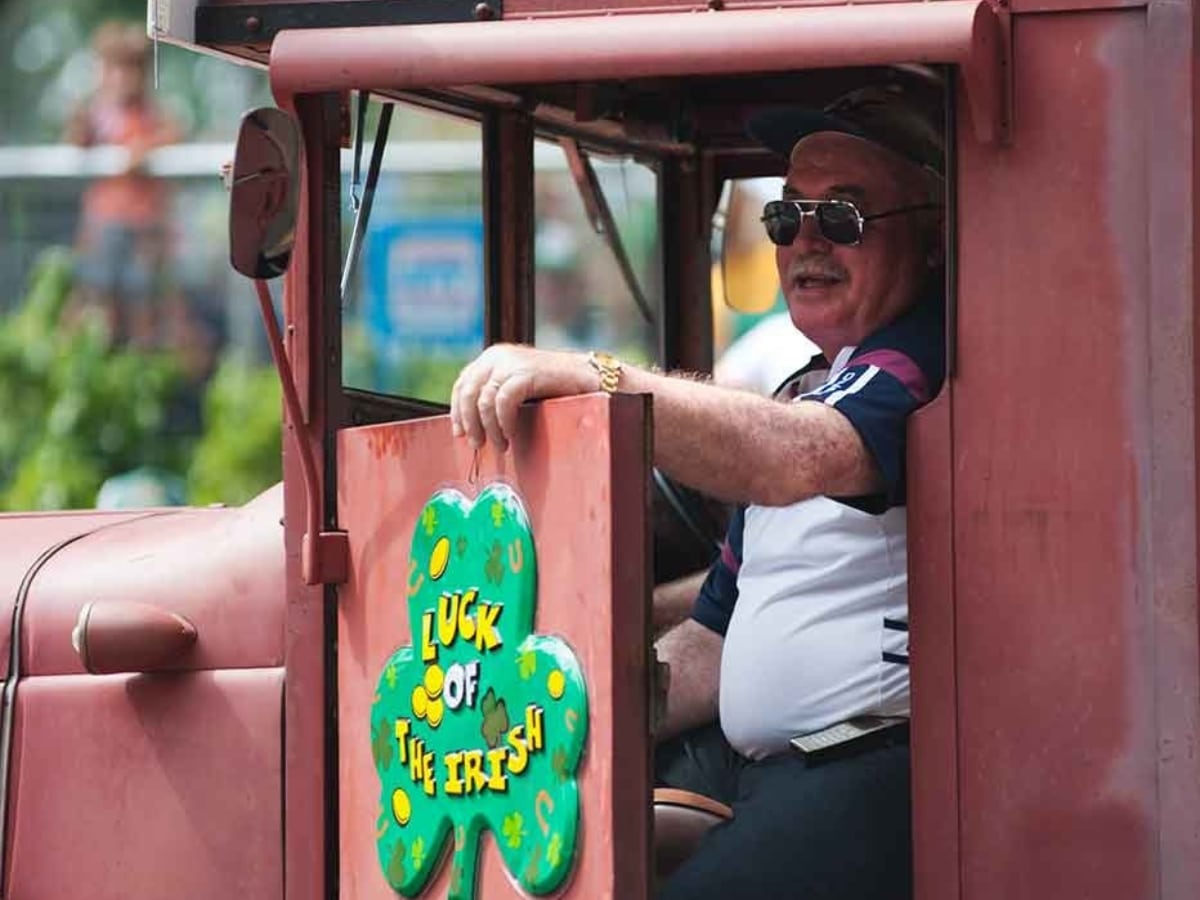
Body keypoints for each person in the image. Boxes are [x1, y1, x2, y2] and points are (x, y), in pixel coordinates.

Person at [449, 79, 945, 899]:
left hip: (870, 774)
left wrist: (593, 378)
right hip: (764, 775)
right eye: (787, 218)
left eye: (845, 217)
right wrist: (532, 716)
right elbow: (708, 646)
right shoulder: (805, 388)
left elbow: (802, 457)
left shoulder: (918, 357)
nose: (806, 242)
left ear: (929, 240)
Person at [64, 21, 181, 346]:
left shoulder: (151, 115)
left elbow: (172, 134)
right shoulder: (98, 114)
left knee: (143, 306)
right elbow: (77, 141)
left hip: (143, 227)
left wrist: (141, 150)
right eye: (115, 68)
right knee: (97, 302)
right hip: (104, 225)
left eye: (131, 69)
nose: (122, 78)